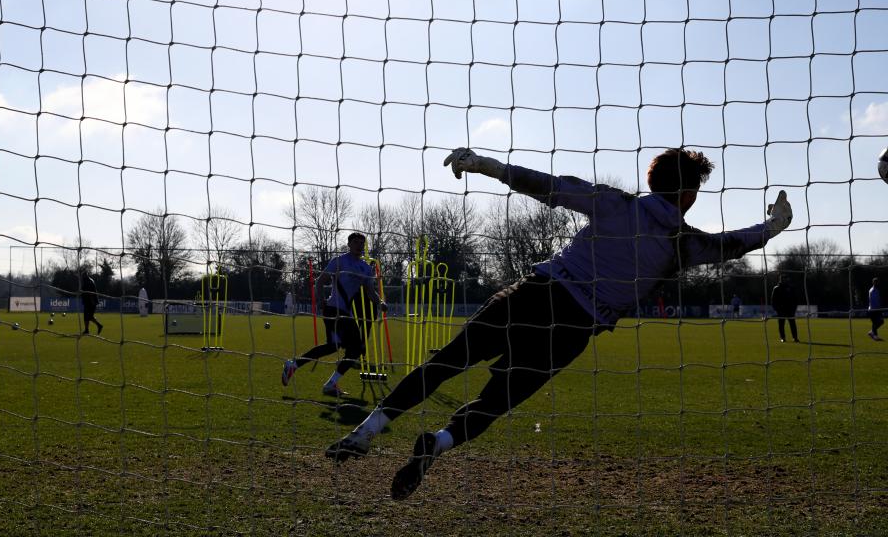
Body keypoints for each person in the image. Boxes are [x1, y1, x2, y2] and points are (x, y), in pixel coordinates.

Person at [325, 147, 792, 500]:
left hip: (533, 295)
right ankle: (440, 442)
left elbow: (550, 184)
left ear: (652, 181)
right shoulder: (682, 243)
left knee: (446, 362)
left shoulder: (616, 204)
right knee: (496, 401)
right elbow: (733, 243)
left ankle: (366, 431)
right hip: (574, 327)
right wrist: (775, 225)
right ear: (689, 195)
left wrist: (485, 164)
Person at [281, 232, 384, 397]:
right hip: (333, 309)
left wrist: (381, 303)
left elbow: (371, 292)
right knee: (356, 347)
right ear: (349, 244)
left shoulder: (365, 268)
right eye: (356, 242)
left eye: (361, 243)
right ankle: (329, 383)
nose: (359, 246)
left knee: (334, 346)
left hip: (345, 312)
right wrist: (321, 301)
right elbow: (320, 281)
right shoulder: (339, 261)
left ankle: (295, 365)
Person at [771, 274, 799, 343]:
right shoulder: (776, 288)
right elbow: (773, 300)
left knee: (792, 324)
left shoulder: (791, 288)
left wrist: (794, 309)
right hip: (781, 310)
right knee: (781, 325)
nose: (785, 280)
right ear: (780, 279)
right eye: (783, 279)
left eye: (786, 278)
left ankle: (795, 338)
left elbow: (795, 299)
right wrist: (777, 309)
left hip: (790, 310)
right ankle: (782, 338)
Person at [80, 270, 103, 336]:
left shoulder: (87, 282)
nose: (82, 278)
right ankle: (87, 330)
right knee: (86, 317)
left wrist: (92, 301)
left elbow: (89, 293)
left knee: (89, 316)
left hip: (90, 302)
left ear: (84, 276)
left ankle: (99, 325)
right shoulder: (90, 280)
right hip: (89, 302)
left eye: (82, 276)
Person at [868, 277, 883, 341]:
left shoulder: (876, 290)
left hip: (876, 309)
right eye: (875, 282)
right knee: (875, 323)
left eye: (877, 282)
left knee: (881, 322)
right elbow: (873, 301)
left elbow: (878, 300)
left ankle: (871, 332)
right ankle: (875, 336)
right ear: (873, 282)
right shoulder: (872, 290)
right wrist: (876, 309)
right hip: (873, 309)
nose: (876, 283)